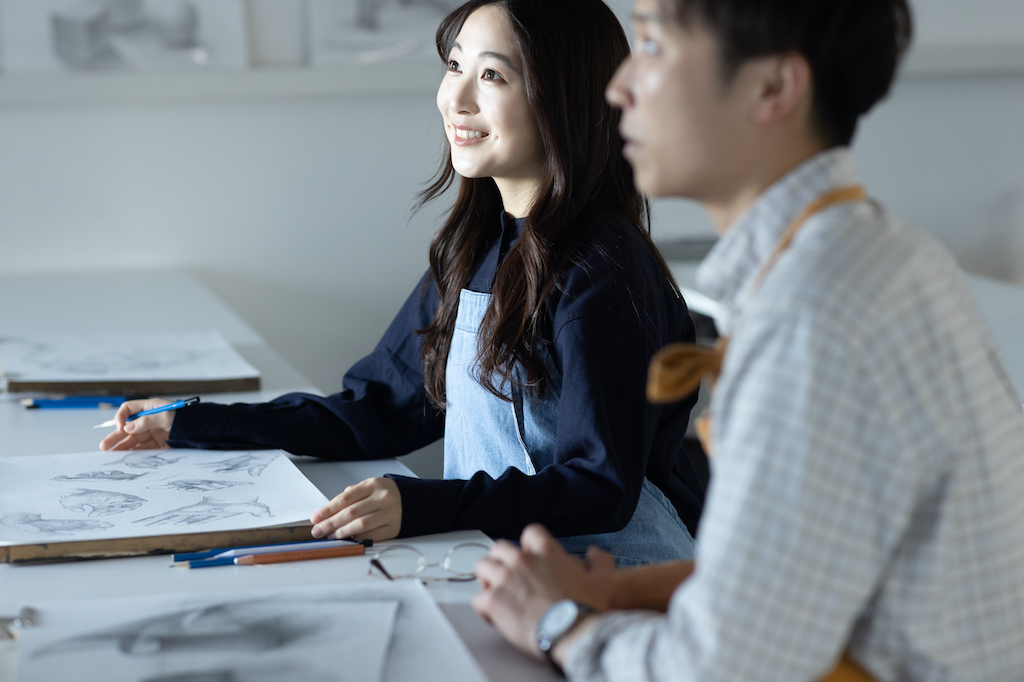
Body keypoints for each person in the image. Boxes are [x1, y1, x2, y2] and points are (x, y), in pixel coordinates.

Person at [471, 0, 1024, 679]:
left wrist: (559, 624)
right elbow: (783, 582)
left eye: (652, 46)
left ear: (772, 88)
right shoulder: (887, 253)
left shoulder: (809, 318)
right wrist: (610, 593)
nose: (618, 88)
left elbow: (721, 670)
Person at [99, 0, 706, 566]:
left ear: (564, 98)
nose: (456, 99)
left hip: (622, 585)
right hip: (510, 573)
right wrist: (191, 422)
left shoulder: (602, 269)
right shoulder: (474, 248)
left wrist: (421, 504)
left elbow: (602, 485)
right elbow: (376, 412)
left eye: (492, 76)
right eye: (454, 66)